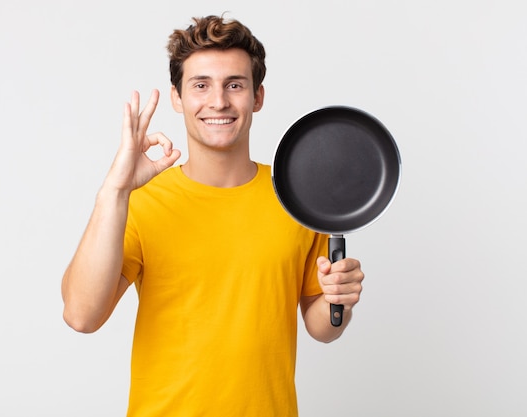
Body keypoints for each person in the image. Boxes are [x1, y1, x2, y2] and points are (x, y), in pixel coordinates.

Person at [61, 14, 364, 417]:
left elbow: (320, 326)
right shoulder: (141, 201)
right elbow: (82, 316)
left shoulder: (296, 196)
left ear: (257, 97)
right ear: (177, 97)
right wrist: (114, 191)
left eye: (234, 85)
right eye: (200, 85)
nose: (218, 101)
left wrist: (338, 300)